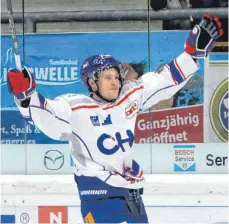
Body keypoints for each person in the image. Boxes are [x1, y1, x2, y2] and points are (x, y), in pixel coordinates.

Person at [7, 14, 222, 223]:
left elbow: (164, 81)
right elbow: (46, 115)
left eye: (117, 76)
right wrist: (26, 96)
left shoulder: (129, 96)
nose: (115, 82)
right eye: (107, 77)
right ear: (92, 83)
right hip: (99, 195)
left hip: (131, 194)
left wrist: (192, 54)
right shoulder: (75, 107)